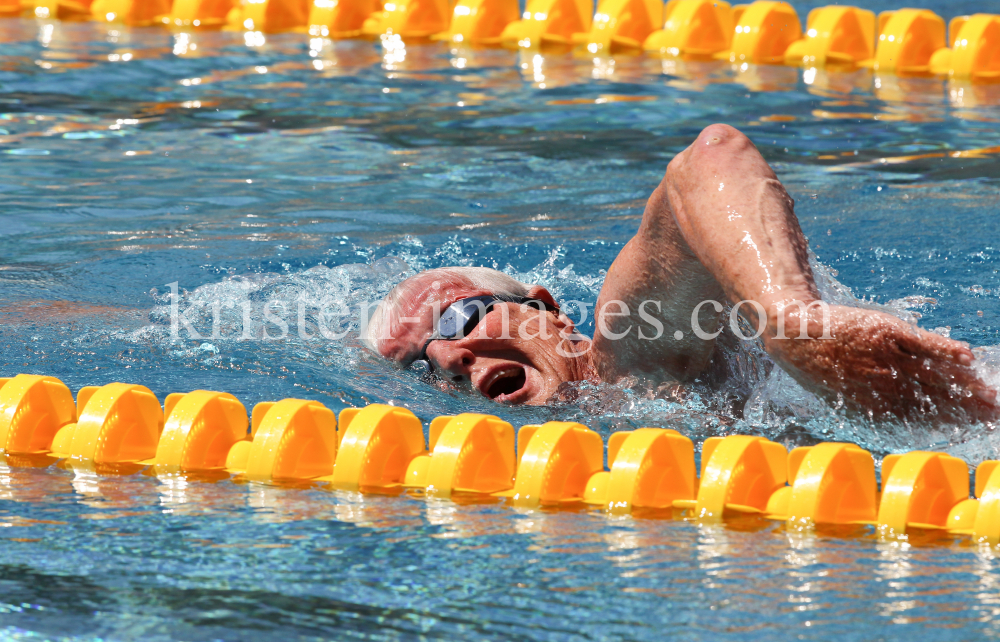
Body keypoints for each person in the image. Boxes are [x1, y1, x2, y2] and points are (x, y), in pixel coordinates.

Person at [365, 124, 998, 421]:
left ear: (546, 307)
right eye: (418, 364)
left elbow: (709, 158)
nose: (446, 356)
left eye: (457, 317)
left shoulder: (628, 352)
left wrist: (790, 320)